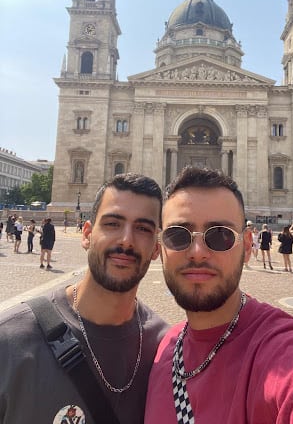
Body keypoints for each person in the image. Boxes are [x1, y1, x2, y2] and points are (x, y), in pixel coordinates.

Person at [144, 166, 293, 423]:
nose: (198, 252)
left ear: (247, 246)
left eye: (221, 235)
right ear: (160, 246)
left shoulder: (283, 353)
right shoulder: (164, 349)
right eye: (178, 235)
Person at [0, 173, 169, 423]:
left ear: (156, 248)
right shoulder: (9, 342)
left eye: (143, 228)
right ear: (87, 234)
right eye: (112, 223)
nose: (126, 240)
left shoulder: (165, 348)